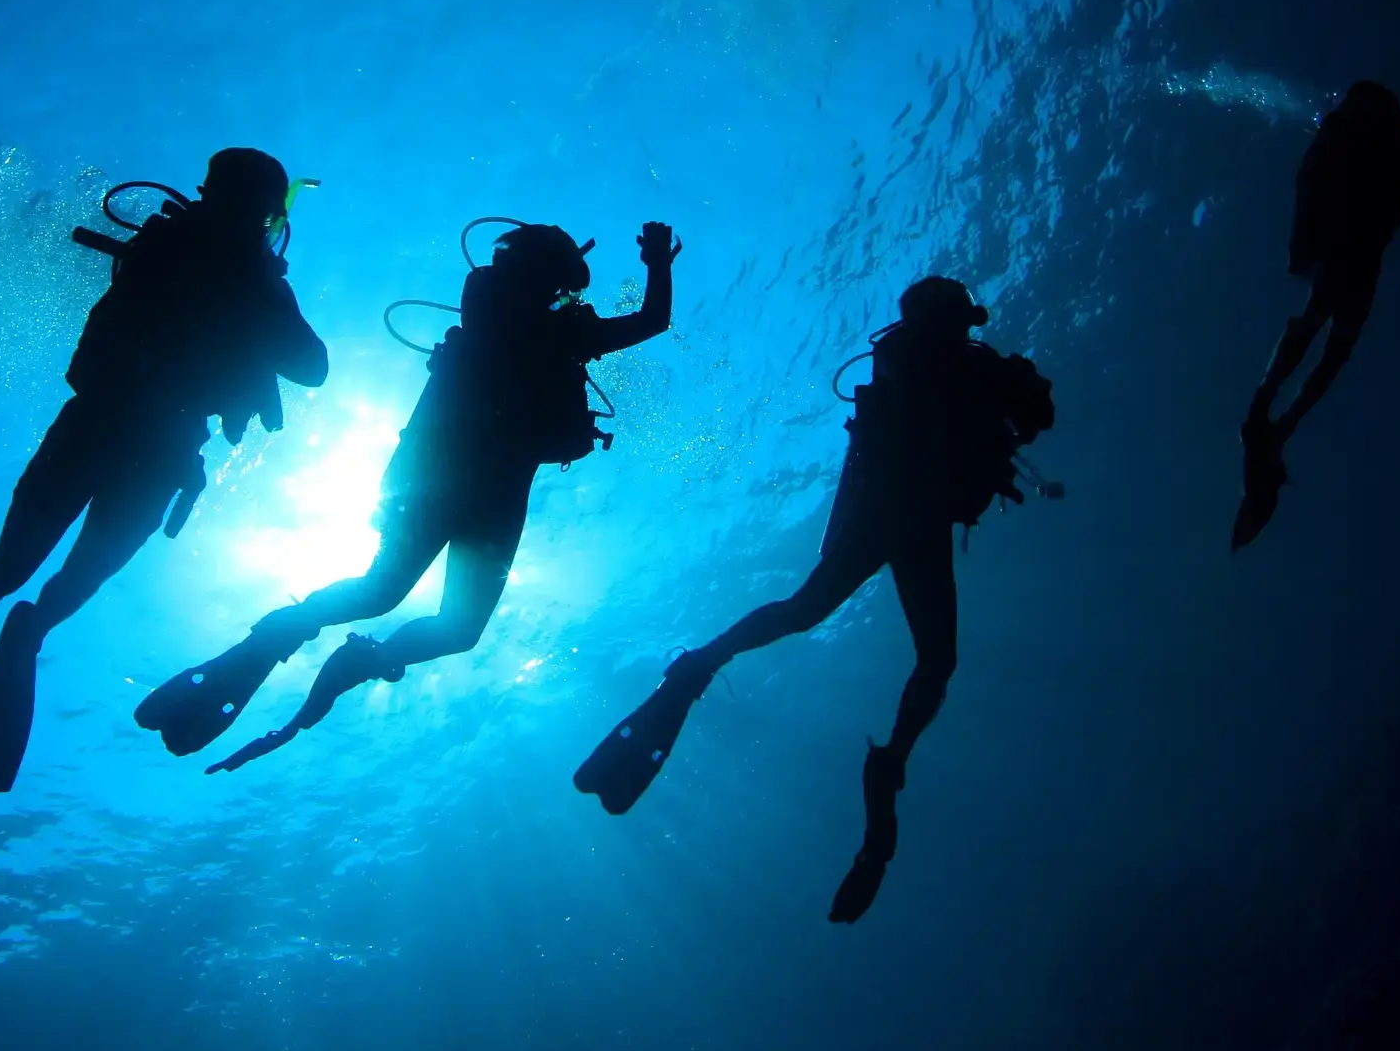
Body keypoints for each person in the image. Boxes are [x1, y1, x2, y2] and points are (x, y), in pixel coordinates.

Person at [0, 148, 329, 792]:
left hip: (97, 430)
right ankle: (27, 628)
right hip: (158, 451)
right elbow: (311, 367)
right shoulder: (248, 276)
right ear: (266, 211)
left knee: (10, 566)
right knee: (78, 576)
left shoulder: (172, 244)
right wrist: (267, 286)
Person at [574, 277, 1057, 924]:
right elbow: (979, 411)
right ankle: (865, 751)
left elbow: (1033, 416)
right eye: (952, 320)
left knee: (863, 633)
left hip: (906, 519)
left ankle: (735, 681)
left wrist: (1010, 388)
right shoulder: (921, 359)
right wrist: (1003, 384)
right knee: (854, 629)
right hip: (894, 516)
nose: (958, 329)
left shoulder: (951, 361)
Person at [135, 219, 682, 769]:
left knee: (396, 598)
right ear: (545, 271)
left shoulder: (500, 308)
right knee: (434, 617)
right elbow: (652, 319)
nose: (566, 295)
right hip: (474, 486)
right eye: (563, 282)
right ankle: (344, 652)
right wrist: (657, 260)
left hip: (447, 479)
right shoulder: (549, 326)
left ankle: (295, 639)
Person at [1234, 80, 1400, 550]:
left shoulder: (1351, 141)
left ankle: (1272, 410)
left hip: (1351, 245)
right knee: (1328, 327)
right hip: (1350, 244)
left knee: (1330, 330)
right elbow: (1328, 184)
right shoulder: (1356, 142)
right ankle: (1270, 409)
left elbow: (1320, 185)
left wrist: (1302, 250)